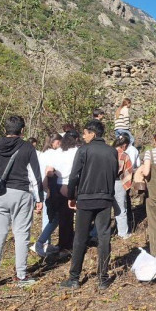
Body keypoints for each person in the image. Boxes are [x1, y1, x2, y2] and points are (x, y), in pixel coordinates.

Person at [0, 115, 44, 290]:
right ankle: (21, 275)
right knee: (21, 234)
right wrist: (39, 198)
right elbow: (35, 176)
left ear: (5, 129)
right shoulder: (27, 147)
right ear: (22, 130)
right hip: (21, 193)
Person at [60, 120, 119, 290]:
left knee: (80, 238)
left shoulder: (83, 150)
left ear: (93, 134)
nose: (83, 136)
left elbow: (74, 175)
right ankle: (103, 278)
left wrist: (71, 196)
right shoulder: (112, 151)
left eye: (85, 133)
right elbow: (115, 173)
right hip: (105, 198)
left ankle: (74, 278)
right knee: (104, 237)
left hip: (85, 198)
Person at [46, 130, 81, 255]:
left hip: (59, 185)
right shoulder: (77, 151)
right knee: (76, 216)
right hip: (74, 185)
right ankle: (72, 245)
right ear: (76, 139)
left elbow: (49, 170)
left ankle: (64, 246)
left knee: (64, 218)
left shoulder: (58, 152)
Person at [31, 133, 62, 257]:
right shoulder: (53, 154)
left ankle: (45, 242)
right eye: (59, 143)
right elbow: (49, 172)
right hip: (49, 187)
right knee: (50, 217)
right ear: (55, 142)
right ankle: (43, 243)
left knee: (47, 215)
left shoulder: (42, 154)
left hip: (42, 186)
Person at [113, 135, 138, 239]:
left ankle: (96, 233)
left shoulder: (107, 152)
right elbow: (128, 171)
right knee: (121, 209)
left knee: (103, 209)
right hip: (118, 182)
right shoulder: (124, 155)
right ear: (124, 145)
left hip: (104, 182)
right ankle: (123, 233)